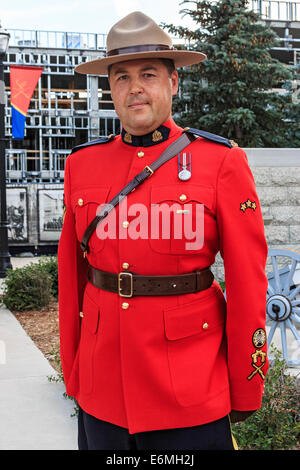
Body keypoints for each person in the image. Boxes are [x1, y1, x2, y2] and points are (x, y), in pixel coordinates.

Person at [58, 11, 269, 451]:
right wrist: (75, 371)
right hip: (104, 388)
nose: (134, 87)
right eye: (121, 77)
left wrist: (246, 383)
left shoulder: (221, 163)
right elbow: (71, 277)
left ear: (174, 83)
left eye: (148, 74)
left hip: (190, 391)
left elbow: (249, 281)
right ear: (110, 89)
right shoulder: (82, 165)